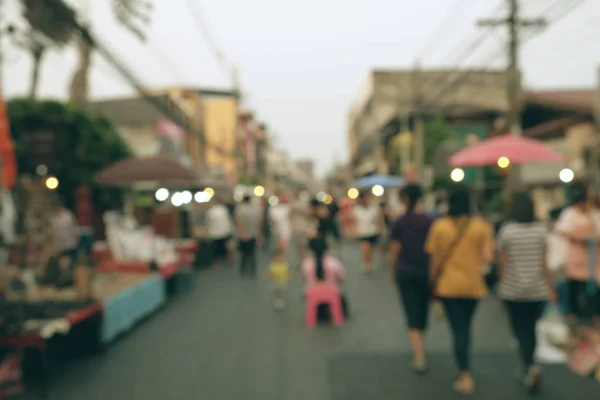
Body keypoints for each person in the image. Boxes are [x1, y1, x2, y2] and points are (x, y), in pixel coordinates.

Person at [425, 184, 493, 395]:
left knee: (458, 329)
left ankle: (464, 374)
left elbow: (434, 260)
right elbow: (488, 257)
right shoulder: (481, 226)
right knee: (466, 327)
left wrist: (432, 282)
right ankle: (464, 368)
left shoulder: (440, 227)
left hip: (448, 286)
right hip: (473, 286)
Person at [497, 192, 557, 394]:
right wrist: (551, 286)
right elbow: (544, 263)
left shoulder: (507, 231)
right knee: (531, 328)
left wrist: (501, 286)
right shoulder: (540, 231)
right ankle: (530, 364)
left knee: (519, 329)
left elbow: (503, 264)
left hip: (513, 290)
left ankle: (529, 364)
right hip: (538, 290)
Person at [389, 184, 434, 374]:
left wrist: (392, 270)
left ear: (404, 199)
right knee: (423, 311)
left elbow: (395, 250)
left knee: (411, 310)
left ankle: (419, 355)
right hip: (426, 272)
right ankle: (419, 345)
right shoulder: (431, 221)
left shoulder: (400, 222)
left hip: (405, 271)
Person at [555, 182, 600, 326]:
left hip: (593, 256)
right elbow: (561, 231)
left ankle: (594, 313)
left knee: (594, 288)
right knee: (574, 286)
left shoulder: (594, 214)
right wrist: (580, 237)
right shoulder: (570, 213)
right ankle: (574, 314)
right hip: (575, 257)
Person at [302, 236, 348, 320]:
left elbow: (305, 279)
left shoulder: (306, 264)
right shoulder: (333, 262)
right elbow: (342, 279)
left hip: (312, 293)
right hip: (332, 292)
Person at [353, 192, 385, 273]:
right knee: (365, 247)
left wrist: (381, 228)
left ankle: (369, 262)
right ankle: (365, 262)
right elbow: (354, 220)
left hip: (373, 231)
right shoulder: (357, 209)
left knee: (370, 248)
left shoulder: (374, 208)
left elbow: (380, 219)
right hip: (362, 231)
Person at [235, 195, 260, 277]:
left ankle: (243, 270)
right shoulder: (254, 209)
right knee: (252, 253)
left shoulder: (240, 209)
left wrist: (241, 234)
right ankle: (252, 270)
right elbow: (258, 222)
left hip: (243, 234)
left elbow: (239, 222)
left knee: (243, 254)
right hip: (252, 234)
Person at [205, 198, 234, 266]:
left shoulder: (210, 211)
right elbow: (228, 220)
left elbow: (208, 222)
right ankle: (228, 260)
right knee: (226, 247)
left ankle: (215, 261)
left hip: (214, 233)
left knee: (215, 248)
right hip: (225, 231)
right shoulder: (224, 209)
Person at [266, 242, 290, 309]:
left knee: (281, 291)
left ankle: (281, 300)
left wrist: (287, 275)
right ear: (275, 258)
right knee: (276, 291)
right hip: (275, 281)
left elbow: (287, 272)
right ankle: (277, 300)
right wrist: (271, 275)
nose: (280, 258)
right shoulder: (273, 265)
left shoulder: (285, 264)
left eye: (281, 257)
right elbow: (270, 272)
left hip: (282, 281)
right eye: (278, 257)